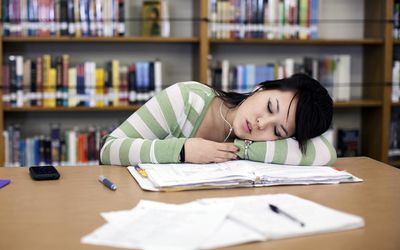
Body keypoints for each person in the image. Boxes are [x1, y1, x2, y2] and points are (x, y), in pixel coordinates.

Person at [100, 73, 336, 166]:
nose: (262, 123)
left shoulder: (261, 142)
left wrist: (241, 150)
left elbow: (327, 153)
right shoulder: (185, 99)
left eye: (278, 131)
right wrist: (183, 150)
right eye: (269, 106)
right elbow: (108, 149)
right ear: (260, 88)